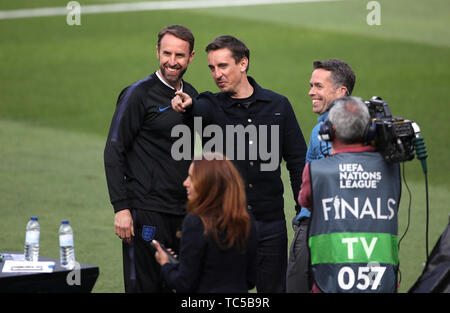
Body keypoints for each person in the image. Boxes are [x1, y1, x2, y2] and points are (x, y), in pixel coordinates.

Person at [172, 35, 307, 292]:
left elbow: (297, 160)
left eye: (223, 66)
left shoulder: (278, 106)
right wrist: (186, 105)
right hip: (227, 226)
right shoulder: (210, 105)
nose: (216, 74)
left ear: (243, 63)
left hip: (270, 223)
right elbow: (194, 107)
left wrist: (303, 208)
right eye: (212, 68)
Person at [103, 25, 197, 292]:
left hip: (182, 212)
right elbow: (113, 150)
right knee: (144, 287)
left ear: (191, 57)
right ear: (157, 51)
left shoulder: (192, 95)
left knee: (179, 285)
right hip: (146, 211)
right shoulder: (138, 94)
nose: (172, 61)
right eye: (166, 53)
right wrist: (121, 208)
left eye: (180, 55)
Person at [299, 96, 401, 293]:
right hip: (383, 282)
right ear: (368, 129)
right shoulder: (391, 167)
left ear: (330, 131)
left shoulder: (316, 170)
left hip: (328, 282)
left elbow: (307, 202)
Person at [286, 59, 356, 292]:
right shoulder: (364, 128)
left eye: (318, 86)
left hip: (316, 230)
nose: (310, 92)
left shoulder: (324, 130)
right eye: (311, 85)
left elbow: (317, 189)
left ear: (341, 92)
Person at [154, 153, 258, 292]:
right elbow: (250, 280)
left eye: (191, 177)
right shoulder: (246, 218)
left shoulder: (196, 222)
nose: (185, 182)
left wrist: (166, 264)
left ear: (207, 183)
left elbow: (184, 284)